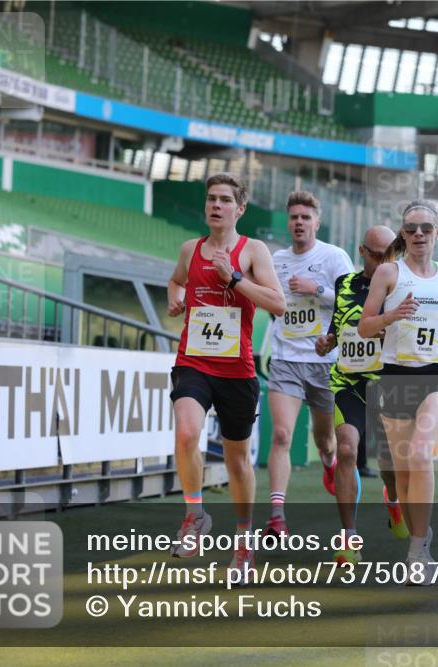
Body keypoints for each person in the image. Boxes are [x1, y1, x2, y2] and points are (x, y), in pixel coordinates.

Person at [358, 201, 438, 585]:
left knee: (419, 454)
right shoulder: (388, 273)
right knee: (402, 476)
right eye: (411, 228)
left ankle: (418, 551)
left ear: (437, 233)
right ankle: (421, 532)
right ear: (403, 233)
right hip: (396, 378)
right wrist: (390, 316)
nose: (418, 234)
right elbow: (365, 326)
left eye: (426, 228)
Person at [166, 172, 286, 580]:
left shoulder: (253, 250)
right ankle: (194, 515)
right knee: (187, 433)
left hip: (237, 370)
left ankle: (243, 542)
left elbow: (278, 304)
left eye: (224, 200)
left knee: (237, 461)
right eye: (211, 199)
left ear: (240, 209)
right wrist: (176, 300)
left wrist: (233, 277)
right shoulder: (190, 249)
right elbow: (176, 280)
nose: (216, 205)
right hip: (194, 361)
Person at [314, 225, 408, 565]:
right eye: (378, 255)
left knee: (389, 463)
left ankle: (393, 501)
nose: (384, 261)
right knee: (347, 449)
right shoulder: (345, 284)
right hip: (349, 382)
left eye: (390, 255)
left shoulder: (401, 285)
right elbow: (339, 325)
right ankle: (349, 538)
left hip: (385, 383)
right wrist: (327, 342)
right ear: (362, 252)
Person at [266, 191, 354, 536]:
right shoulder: (276, 259)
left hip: (324, 361)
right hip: (286, 358)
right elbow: (271, 300)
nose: (299, 223)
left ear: (317, 222)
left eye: (305, 217)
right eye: (294, 217)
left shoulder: (334, 256)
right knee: (281, 434)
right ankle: (276, 515)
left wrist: (315, 288)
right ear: (288, 223)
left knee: (325, 440)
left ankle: (329, 463)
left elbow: (353, 300)